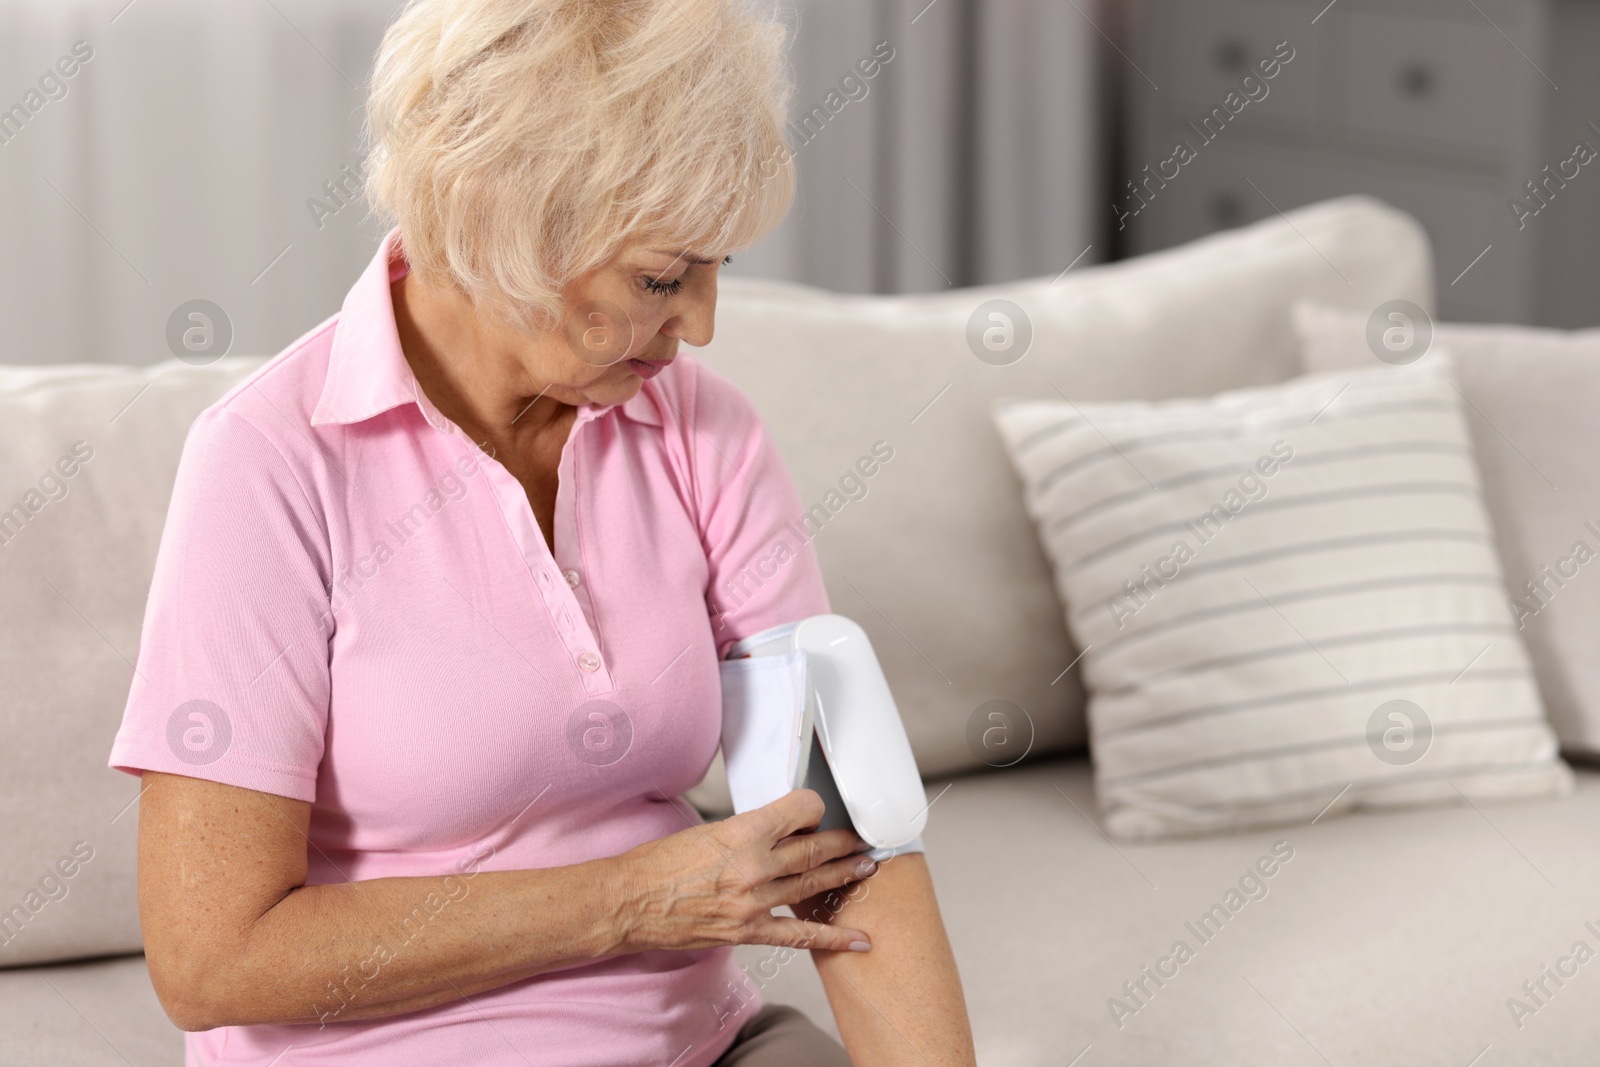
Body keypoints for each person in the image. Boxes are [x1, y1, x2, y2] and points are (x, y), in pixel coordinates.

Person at [108, 1, 977, 1064]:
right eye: (661, 278)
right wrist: (627, 900)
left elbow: (844, 834)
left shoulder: (699, 429)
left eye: (718, 270)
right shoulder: (269, 463)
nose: (700, 324)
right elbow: (212, 962)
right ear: (496, 222)